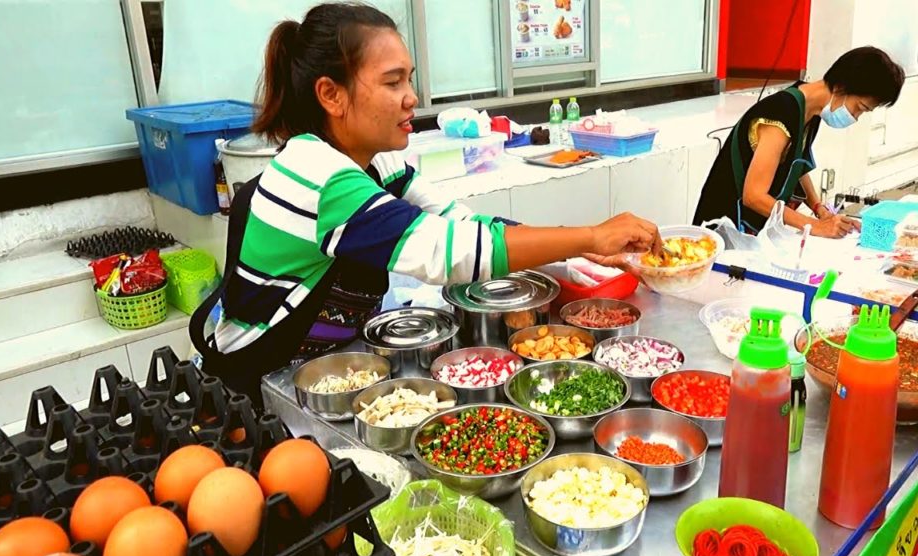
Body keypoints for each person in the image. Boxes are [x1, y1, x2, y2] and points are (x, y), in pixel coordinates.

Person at [190, 3, 661, 405]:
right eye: (393, 82)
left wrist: (577, 247)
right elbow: (446, 252)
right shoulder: (316, 175)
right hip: (261, 385)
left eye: (409, 80)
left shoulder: (376, 165)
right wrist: (591, 234)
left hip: (331, 370)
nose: (412, 98)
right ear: (331, 95)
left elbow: (460, 224)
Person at [693, 47, 905, 238]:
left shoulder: (809, 111)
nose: (856, 117)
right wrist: (814, 226)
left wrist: (819, 208)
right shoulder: (781, 113)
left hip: (753, 229)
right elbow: (754, 196)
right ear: (842, 87)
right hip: (724, 227)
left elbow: (796, 164)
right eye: (860, 107)